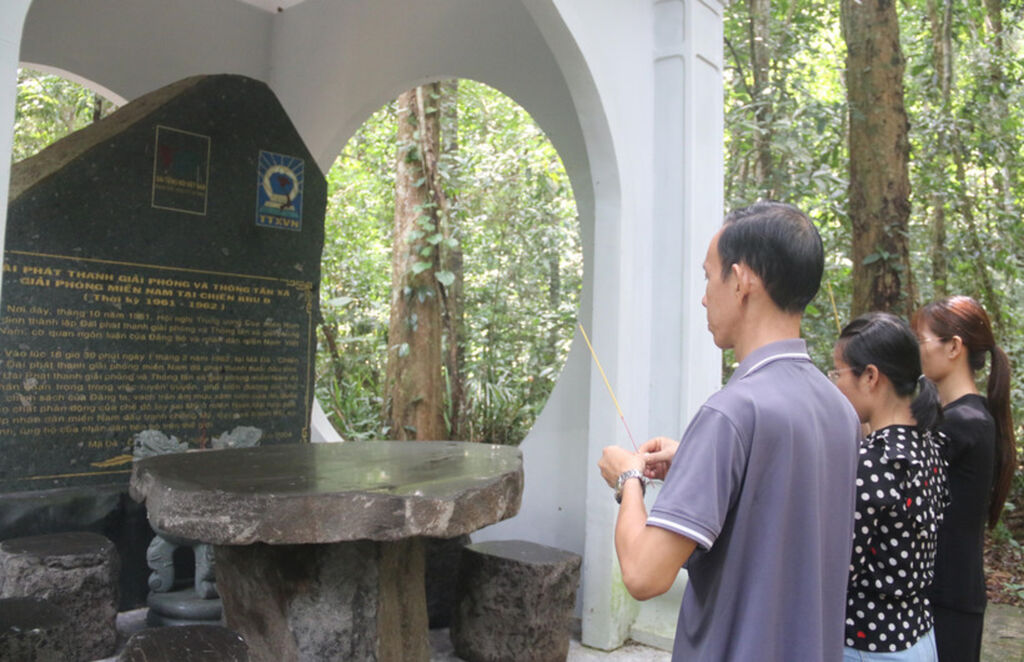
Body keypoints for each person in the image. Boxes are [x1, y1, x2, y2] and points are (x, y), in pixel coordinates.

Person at [598, 201, 861, 661]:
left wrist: (629, 479)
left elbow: (643, 574)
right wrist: (695, 460)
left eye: (708, 276)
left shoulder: (731, 413)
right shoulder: (840, 409)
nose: (704, 297)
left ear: (740, 281)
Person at [830, 312, 949, 661]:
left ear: (870, 376)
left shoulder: (872, 461)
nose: (835, 385)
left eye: (838, 373)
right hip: (919, 637)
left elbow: (838, 569)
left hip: (867, 645)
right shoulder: (929, 445)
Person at [911, 296, 1017, 662]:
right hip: (949, 592)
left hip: (947, 598)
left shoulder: (964, 423)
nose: (915, 352)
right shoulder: (962, 417)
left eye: (920, 341)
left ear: (954, 347)